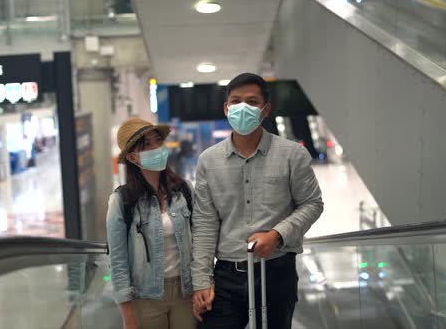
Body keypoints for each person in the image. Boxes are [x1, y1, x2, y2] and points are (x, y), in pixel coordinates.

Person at [191, 73, 324, 329]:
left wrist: (277, 234)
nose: (243, 107)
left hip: (276, 272)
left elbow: (312, 203)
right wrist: (201, 280)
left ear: (265, 110)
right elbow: (205, 223)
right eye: (236, 101)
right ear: (226, 108)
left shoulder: (292, 154)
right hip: (226, 276)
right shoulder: (208, 161)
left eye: (252, 102)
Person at [107, 117, 211, 329]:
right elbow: (117, 261)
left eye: (157, 141)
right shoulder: (122, 201)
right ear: (132, 157)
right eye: (146, 145)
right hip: (145, 298)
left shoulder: (184, 191)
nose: (156, 148)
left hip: (185, 292)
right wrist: (127, 315)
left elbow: (201, 239)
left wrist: (203, 283)